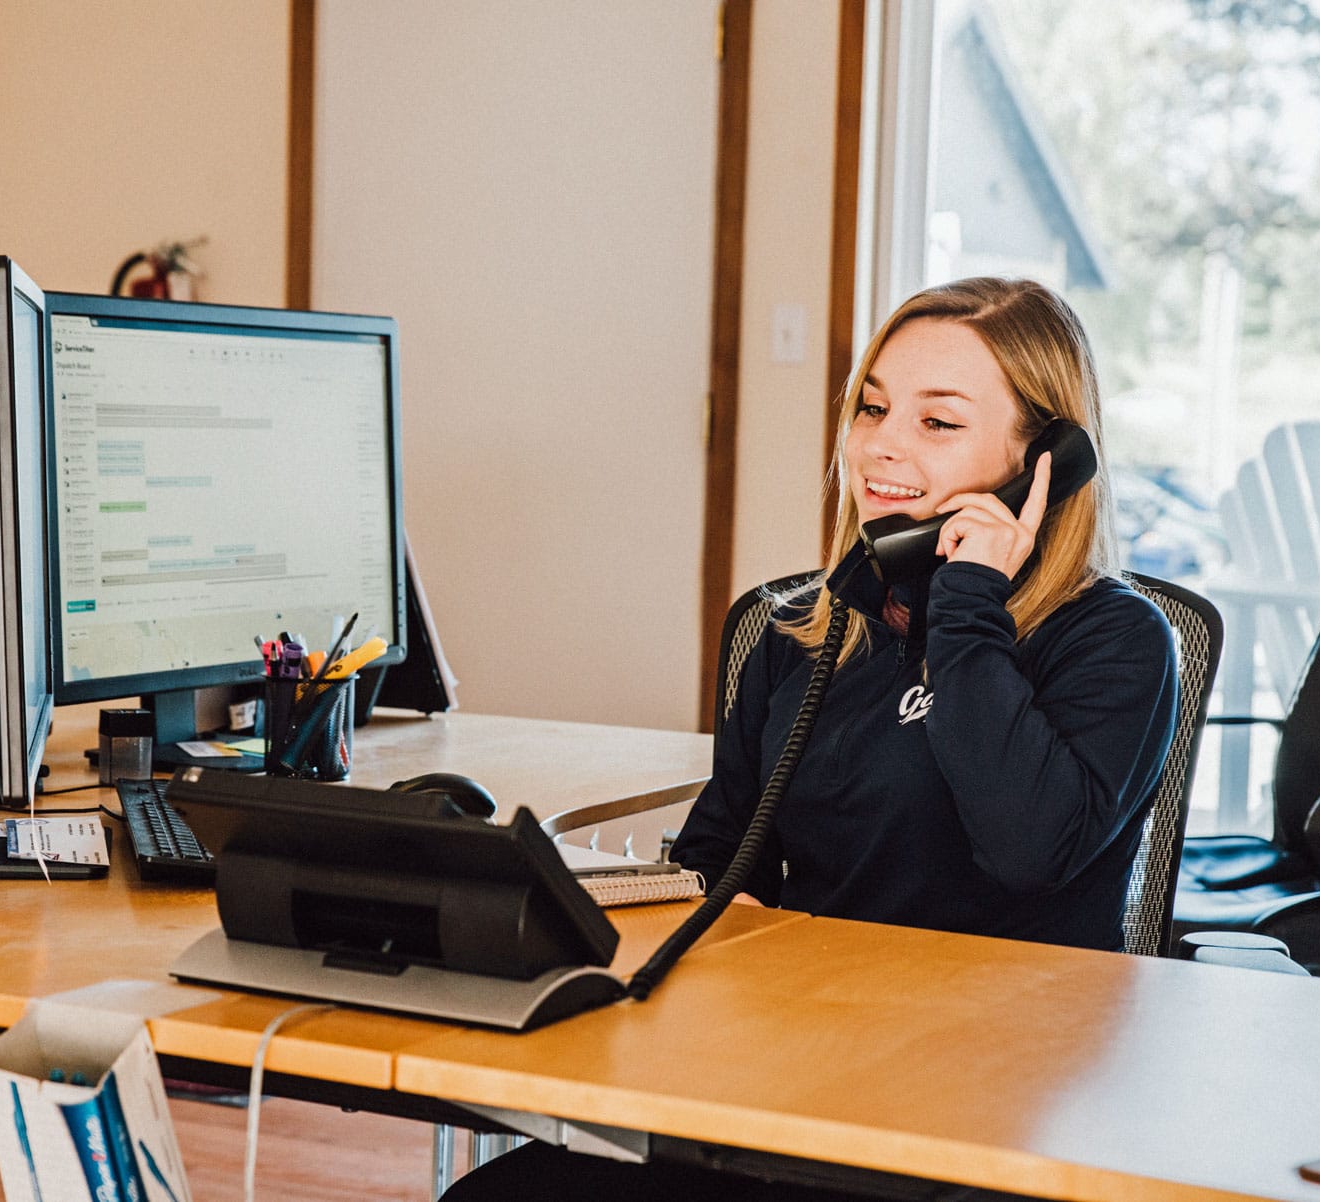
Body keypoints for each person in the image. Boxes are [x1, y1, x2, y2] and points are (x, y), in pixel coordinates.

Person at [443, 277, 1179, 1201]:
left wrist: (968, 606)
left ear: (1046, 463)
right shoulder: (806, 633)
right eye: (872, 407)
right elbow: (720, 861)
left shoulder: (1114, 641)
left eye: (937, 423)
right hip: (796, 1082)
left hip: (990, 1119)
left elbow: (1027, 847)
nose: (880, 444)